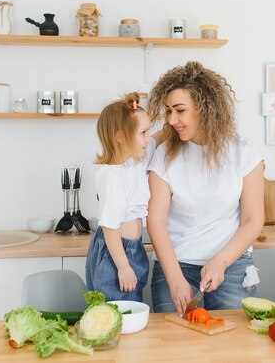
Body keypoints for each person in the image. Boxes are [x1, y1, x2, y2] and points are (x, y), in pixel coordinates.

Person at [146, 61, 265, 315]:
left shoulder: (244, 152)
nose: (172, 120)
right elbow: (155, 221)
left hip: (232, 264)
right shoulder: (163, 155)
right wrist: (175, 279)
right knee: (175, 349)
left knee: (231, 349)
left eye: (180, 110)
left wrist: (220, 261)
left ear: (205, 108)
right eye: (168, 111)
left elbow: (254, 221)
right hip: (175, 265)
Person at [86, 92, 163, 302]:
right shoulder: (114, 176)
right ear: (121, 137)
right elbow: (111, 228)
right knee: (119, 311)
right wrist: (123, 266)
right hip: (116, 252)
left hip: (132, 248)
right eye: (143, 133)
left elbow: (157, 139)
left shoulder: (135, 160)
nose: (148, 139)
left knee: (130, 305)